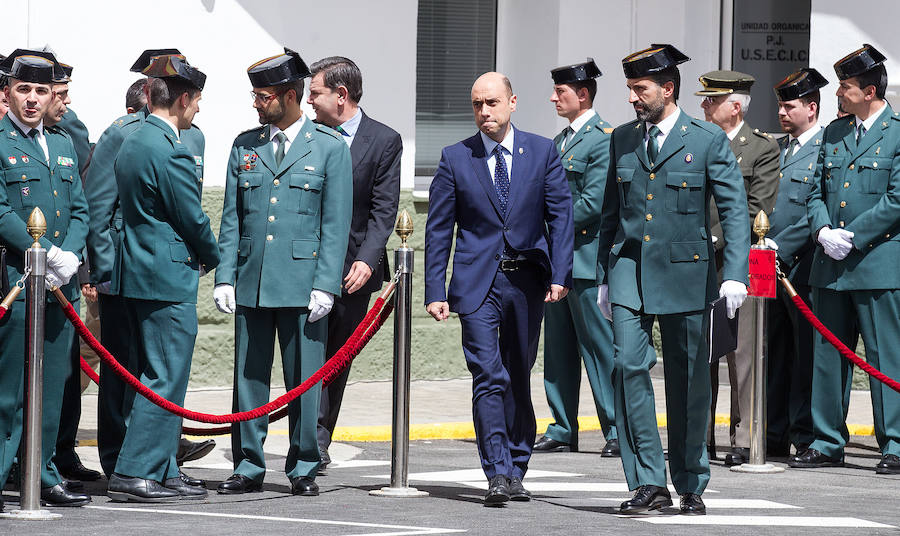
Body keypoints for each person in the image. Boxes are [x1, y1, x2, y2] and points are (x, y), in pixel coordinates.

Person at [597, 44, 749, 515]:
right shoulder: (621, 138)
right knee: (627, 366)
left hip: (688, 272)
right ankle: (648, 481)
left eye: (639, 89)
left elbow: (734, 210)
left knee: (688, 380)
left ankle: (689, 480)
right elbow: (610, 211)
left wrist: (735, 275)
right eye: (629, 89)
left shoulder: (705, 140)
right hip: (628, 270)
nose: (631, 98)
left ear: (668, 88)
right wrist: (605, 274)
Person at [424, 72, 573, 506]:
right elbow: (438, 230)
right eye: (476, 104)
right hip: (476, 285)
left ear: (512, 102)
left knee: (517, 375)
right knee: (487, 374)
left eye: (491, 103)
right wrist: (437, 288)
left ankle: (517, 464)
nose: (484, 112)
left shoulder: (542, 151)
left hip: (526, 281)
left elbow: (560, 217)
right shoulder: (456, 157)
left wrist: (560, 275)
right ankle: (497, 471)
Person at [214, 48, 352, 497]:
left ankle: (304, 466)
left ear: (290, 96)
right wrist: (225, 276)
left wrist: (326, 285)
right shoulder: (245, 145)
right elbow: (233, 218)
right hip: (252, 281)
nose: (256, 103)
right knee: (249, 381)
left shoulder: (329, 148)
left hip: (303, 283)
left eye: (264, 96)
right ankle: (248, 465)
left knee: (303, 383)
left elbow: (336, 224)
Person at [85, 50, 213, 481]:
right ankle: (124, 463)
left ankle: (160, 465)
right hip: (125, 272)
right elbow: (100, 207)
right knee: (129, 373)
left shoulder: (189, 137)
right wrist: (102, 273)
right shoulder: (123, 134)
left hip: (156, 266)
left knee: (158, 371)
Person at [790, 44, 900, 475]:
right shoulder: (834, 133)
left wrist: (851, 238)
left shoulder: (896, 133)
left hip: (875, 263)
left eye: (846, 86)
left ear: (869, 91)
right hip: (830, 264)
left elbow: (896, 200)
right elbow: (814, 191)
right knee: (828, 354)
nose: (838, 92)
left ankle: (893, 441)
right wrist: (821, 231)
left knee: (883, 356)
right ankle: (827, 438)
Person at [0, 49, 91, 508]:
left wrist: (69, 255)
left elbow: (80, 208)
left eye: (41, 91)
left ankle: (42, 472)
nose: (33, 100)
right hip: (17, 280)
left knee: (53, 386)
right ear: (8, 92)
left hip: (59, 284)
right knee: (9, 392)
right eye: (24, 90)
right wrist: (45, 251)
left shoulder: (62, 143)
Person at [306, 56, 402, 470]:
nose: (309, 101)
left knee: (336, 356)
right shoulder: (306, 136)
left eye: (315, 93)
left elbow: (383, 211)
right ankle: (302, 433)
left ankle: (319, 436)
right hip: (307, 264)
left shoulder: (384, 140)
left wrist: (368, 260)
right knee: (306, 355)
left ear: (341, 96)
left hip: (352, 270)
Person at [534, 58, 618, 456]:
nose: (553, 98)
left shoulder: (604, 139)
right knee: (559, 350)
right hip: (557, 259)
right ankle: (563, 425)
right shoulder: (561, 141)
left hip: (584, 259)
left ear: (582, 95)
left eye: (561, 92)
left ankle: (616, 428)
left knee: (599, 349)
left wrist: (548, 224)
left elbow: (593, 203)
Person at [695, 70, 780, 466]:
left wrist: (714, 238)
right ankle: (700, 435)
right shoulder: (697, 140)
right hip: (696, 261)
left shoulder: (760, 148)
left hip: (737, 261)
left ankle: (743, 437)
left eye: (711, 100)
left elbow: (755, 209)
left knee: (741, 353)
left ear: (735, 105)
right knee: (701, 352)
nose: (703, 106)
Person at [35, 55, 105, 484]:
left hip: (59, 270)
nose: (59, 101)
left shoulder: (66, 133)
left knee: (65, 367)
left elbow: (81, 204)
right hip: (21, 270)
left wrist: (79, 267)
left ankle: (58, 453)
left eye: (54, 91)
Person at [766, 68, 827, 458]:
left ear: (812, 107)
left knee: (806, 355)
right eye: (780, 106)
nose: (782, 113)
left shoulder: (825, 147)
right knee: (773, 350)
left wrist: (780, 247)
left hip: (802, 266)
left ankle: (804, 433)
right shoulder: (778, 149)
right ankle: (773, 432)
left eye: (790, 106)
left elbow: (813, 210)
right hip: (768, 265)